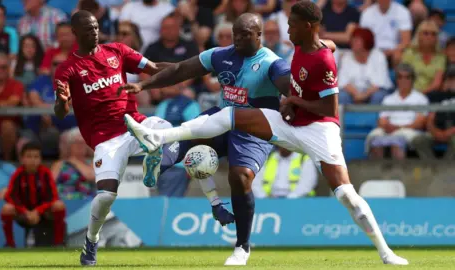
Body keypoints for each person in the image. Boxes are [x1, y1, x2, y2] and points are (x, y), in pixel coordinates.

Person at [122, 2, 408, 266]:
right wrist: (144, 85)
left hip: (319, 130)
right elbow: (182, 69)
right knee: (228, 115)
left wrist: (292, 100)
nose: (286, 28)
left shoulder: (285, 60)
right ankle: (160, 139)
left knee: (346, 195)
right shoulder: (294, 47)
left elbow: (323, 102)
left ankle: (386, 252)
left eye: (292, 24)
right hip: (282, 122)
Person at [53, 10, 173, 266]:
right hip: (105, 140)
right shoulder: (67, 69)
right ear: (75, 33)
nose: (94, 32)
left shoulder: (117, 51)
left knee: (166, 128)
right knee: (107, 196)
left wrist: (185, 69)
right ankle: (91, 241)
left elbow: (152, 68)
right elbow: (61, 113)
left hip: (134, 125)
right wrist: (62, 102)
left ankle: (152, 159)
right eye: (87, 29)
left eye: (96, 27)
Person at [0, 142, 65, 248]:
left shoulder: (45, 173)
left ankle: (59, 243)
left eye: (36, 156)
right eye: (29, 156)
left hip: (43, 212)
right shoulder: (18, 174)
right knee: (6, 208)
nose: (32, 160)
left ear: (40, 159)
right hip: (23, 213)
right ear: (22, 159)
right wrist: (25, 212)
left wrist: (37, 211)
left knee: (59, 205)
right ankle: (10, 244)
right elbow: (10, 197)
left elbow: (52, 197)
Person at [366, 64, 429, 160]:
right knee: (375, 138)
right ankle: (376, 172)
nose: (403, 80)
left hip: (409, 130)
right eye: (400, 77)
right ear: (396, 80)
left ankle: (398, 174)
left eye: (407, 77)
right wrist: (389, 127)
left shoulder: (421, 98)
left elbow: (420, 123)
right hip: (390, 129)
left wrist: (398, 128)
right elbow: (382, 120)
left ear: (412, 79)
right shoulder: (388, 99)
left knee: (397, 140)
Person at [338, 28, 392, 104]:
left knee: (378, 96)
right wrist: (356, 94)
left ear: (367, 41)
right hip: (353, 93)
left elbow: (379, 83)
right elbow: (343, 82)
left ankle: (375, 116)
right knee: (342, 96)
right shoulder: (347, 57)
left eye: (357, 40)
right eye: (352, 40)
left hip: (374, 91)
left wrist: (364, 95)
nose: (353, 42)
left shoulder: (379, 56)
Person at [252, 147, 318, 198]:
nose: (284, 145)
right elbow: (255, 182)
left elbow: (308, 183)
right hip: (269, 200)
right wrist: (264, 197)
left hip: (298, 201)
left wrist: (290, 198)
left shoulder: (304, 159)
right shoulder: (267, 158)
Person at [401, 20, 446, 94]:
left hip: (431, 94)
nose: (429, 37)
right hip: (409, 93)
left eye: (433, 34)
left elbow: (436, 83)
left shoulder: (441, 57)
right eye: (426, 33)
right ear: (418, 35)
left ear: (437, 38)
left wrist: (421, 95)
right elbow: (403, 77)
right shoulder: (409, 53)